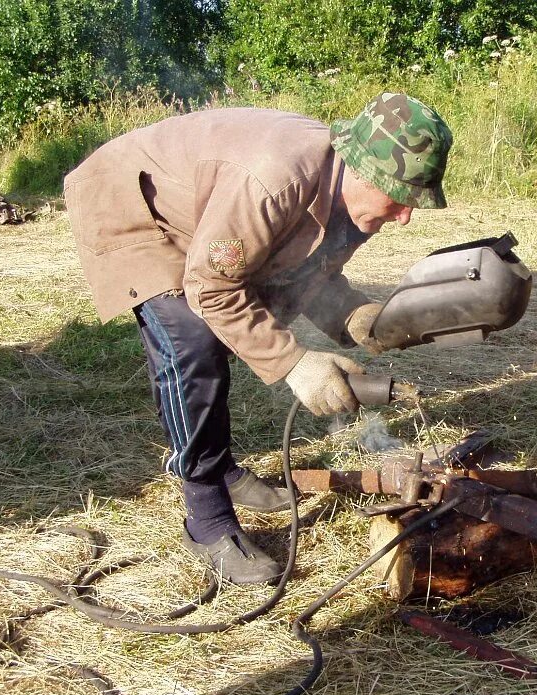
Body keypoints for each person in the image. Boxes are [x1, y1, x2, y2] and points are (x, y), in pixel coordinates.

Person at [64, 93, 453, 583]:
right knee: (192, 343)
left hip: (212, 217)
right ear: (362, 170)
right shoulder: (273, 181)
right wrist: (294, 363)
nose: (405, 216)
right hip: (136, 204)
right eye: (401, 197)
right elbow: (212, 287)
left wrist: (352, 314)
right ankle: (205, 515)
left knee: (225, 327)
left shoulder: (352, 200)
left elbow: (304, 271)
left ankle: (224, 469)